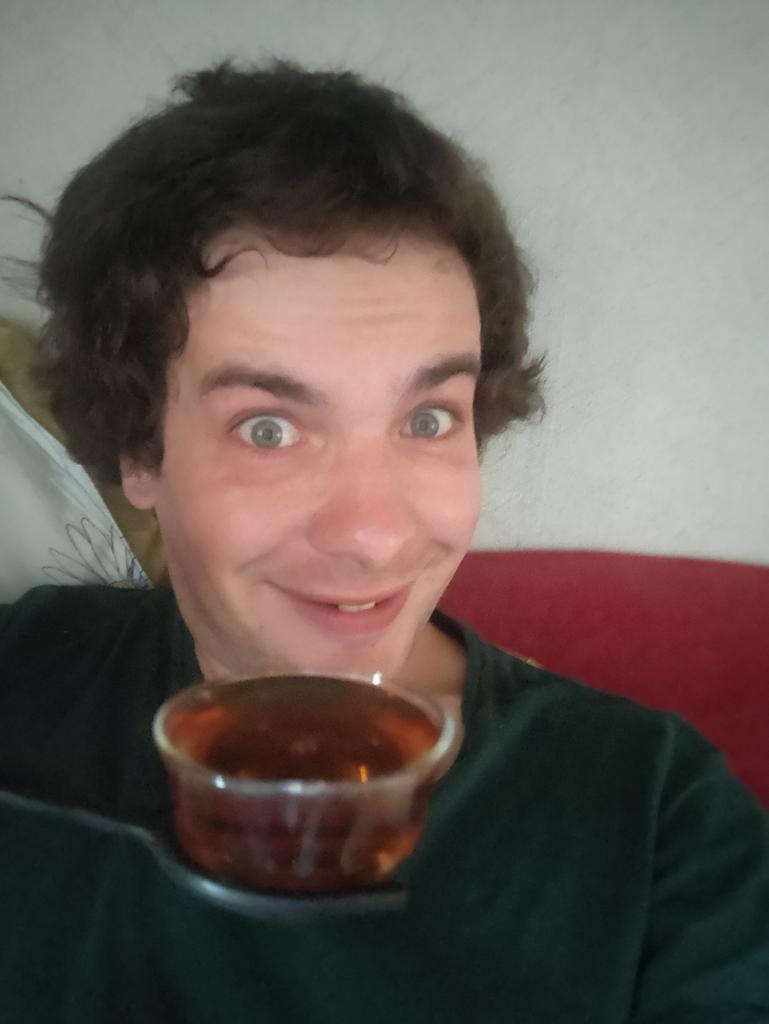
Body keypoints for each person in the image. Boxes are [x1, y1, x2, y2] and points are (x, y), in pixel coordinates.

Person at [0, 60, 767, 1024]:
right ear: (139, 451)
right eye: (268, 428)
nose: (373, 537)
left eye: (428, 418)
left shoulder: (657, 820)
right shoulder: (25, 682)